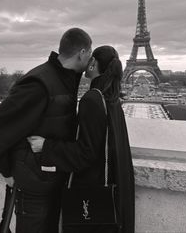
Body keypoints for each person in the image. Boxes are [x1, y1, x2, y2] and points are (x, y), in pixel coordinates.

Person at [0, 27, 92, 233]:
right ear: (82, 53)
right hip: (34, 188)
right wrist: (6, 171)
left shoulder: (63, 79)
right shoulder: (39, 84)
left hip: (50, 182)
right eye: (90, 53)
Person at [28, 45, 135, 233]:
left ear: (93, 63)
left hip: (88, 196)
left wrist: (46, 146)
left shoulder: (92, 99)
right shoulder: (112, 99)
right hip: (110, 197)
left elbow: (85, 153)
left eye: (89, 59)